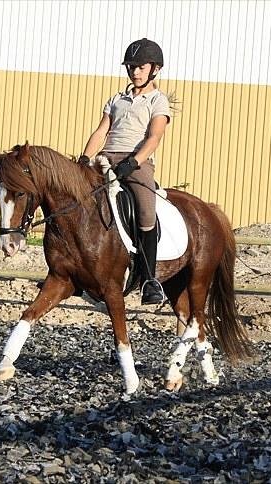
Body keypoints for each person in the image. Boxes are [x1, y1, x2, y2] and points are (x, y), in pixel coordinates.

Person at [78, 38, 171, 305]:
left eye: (140, 67)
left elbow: (154, 137)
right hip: (105, 159)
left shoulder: (157, 100)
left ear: (154, 69)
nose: (135, 71)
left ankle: (149, 279)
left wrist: (135, 161)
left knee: (145, 209)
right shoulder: (116, 99)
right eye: (131, 67)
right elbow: (101, 131)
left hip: (136, 163)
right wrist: (85, 157)